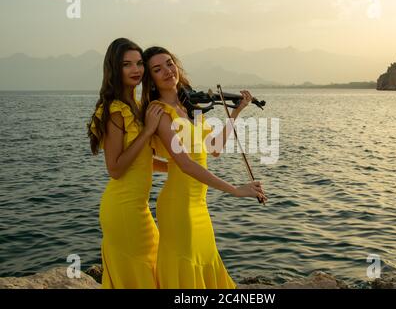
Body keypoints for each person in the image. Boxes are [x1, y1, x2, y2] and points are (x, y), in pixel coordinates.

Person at [142, 46, 267, 289]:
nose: (168, 71)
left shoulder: (192, 107)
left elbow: (216, 148)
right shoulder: (159, 111)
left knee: (206, 266)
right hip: (178, 207)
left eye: (169, 63)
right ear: (152, 79)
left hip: (198, 205)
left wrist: (236, 111)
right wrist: (237, 190)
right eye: (158, 69)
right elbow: (186, 164)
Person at [87, 38, 166, 288]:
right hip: (123, 209)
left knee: (151, 271)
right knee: (142, 276)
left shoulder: (135, 106)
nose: (136, 70)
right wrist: (147, 131)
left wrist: (177, 167)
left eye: (139, 63)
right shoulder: (115, 110)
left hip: (138, 208)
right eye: (127, 64)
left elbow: (141, 160)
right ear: (114, 69)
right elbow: (116, 168)